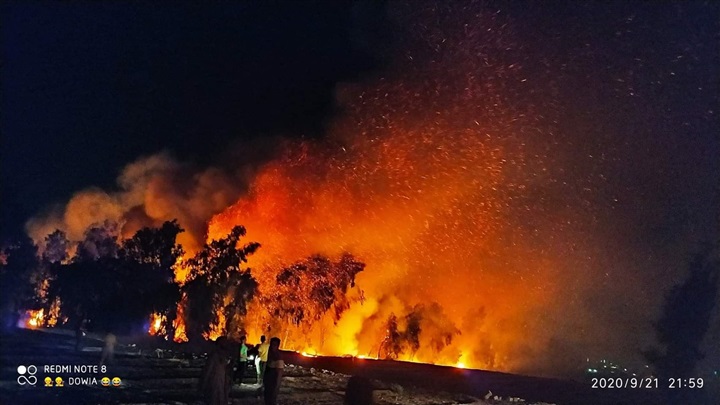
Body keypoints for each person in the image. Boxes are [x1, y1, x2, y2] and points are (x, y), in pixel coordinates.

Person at [199, 336, 233, 405]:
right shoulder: (226, 357)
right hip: (221, 386)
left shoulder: (214, 356)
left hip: (213, 385)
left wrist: (201, 386)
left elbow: (207, 371)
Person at [263, 337, 284, 405]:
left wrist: (276, 388)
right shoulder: (270, 355)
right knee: (267, 399)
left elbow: (279, 374)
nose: (272, 346)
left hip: (273, 384)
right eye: (271, 344)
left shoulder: (278, 358)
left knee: (271, 400)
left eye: (274, 345)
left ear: (277, 346)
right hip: (268, 382)